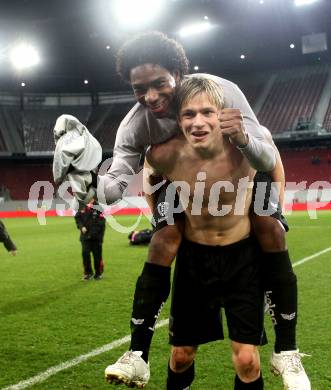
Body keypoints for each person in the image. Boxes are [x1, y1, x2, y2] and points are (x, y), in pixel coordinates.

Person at [102, 32, 309, 390]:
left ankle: (286, 350)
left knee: (271, 228)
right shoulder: (140, 127)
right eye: (140, 88)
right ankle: (137, 354)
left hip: (240, 178)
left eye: (158, 84)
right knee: (163, 239)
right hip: (181, 189)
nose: (150, 96)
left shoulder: (223, 94)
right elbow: (136, 169)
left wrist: (276, 203)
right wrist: (120, 192)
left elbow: (266, 151)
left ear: (178, 75)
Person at [111, 77, 267, 389]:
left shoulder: (244, 142)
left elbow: (270, 163)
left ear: (221, 112)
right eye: (189, 114)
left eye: (207, 112)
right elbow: (151, 173)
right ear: (178, 118)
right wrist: (161, 218)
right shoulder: (164, 151)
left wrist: (274, 210)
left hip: (243, 256)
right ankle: (138, 354)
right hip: (195, 258)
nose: (198, 121)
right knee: (182, 355)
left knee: (247, 360)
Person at [74, 199, 106, 280]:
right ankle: (88, 273)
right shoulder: (82, 206)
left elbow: (101, 224)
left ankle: (98, 273)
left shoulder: (99, 208)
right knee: (85, 254)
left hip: (96, 238)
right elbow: (77, 218)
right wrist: (81, 227)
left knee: (97, 256)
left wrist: (92, 234)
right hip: (85, 237)